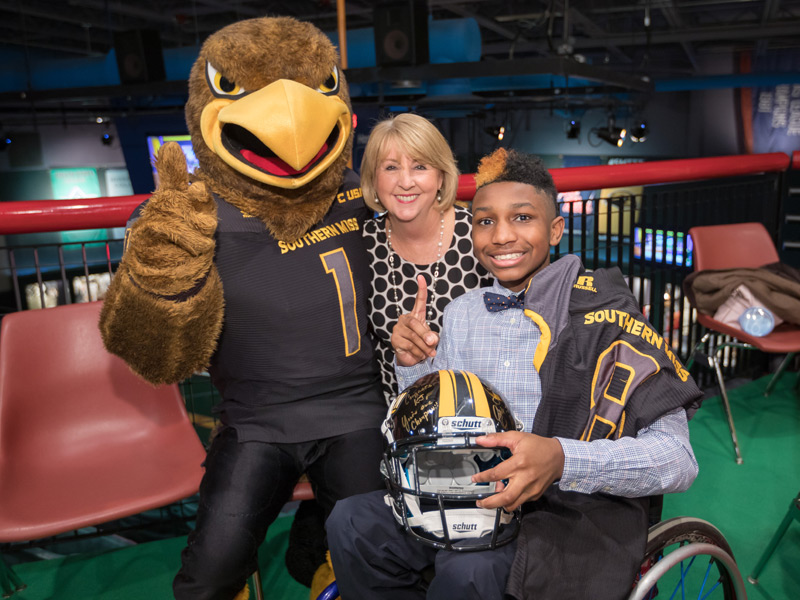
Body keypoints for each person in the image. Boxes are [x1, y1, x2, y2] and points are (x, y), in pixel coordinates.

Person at [326, 148, 704, 600]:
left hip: (563, 506)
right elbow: (440, 422)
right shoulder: (462, 313)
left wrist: (562, 459)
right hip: (465, 487)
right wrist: (414, 368)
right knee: (349, 523)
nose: (502, 236)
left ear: (555, 229)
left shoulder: (607, 318)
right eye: (485, 221)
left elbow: (677, 461)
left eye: (522, 218)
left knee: (468, 566)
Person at [360, 112, 492, 403]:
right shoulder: (361, 244)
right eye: (391, 167)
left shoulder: (479, 237)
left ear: (441, 177)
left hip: (475, 412)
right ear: (373, 179)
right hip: (388, 414)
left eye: (419, 166)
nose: (405, 182)